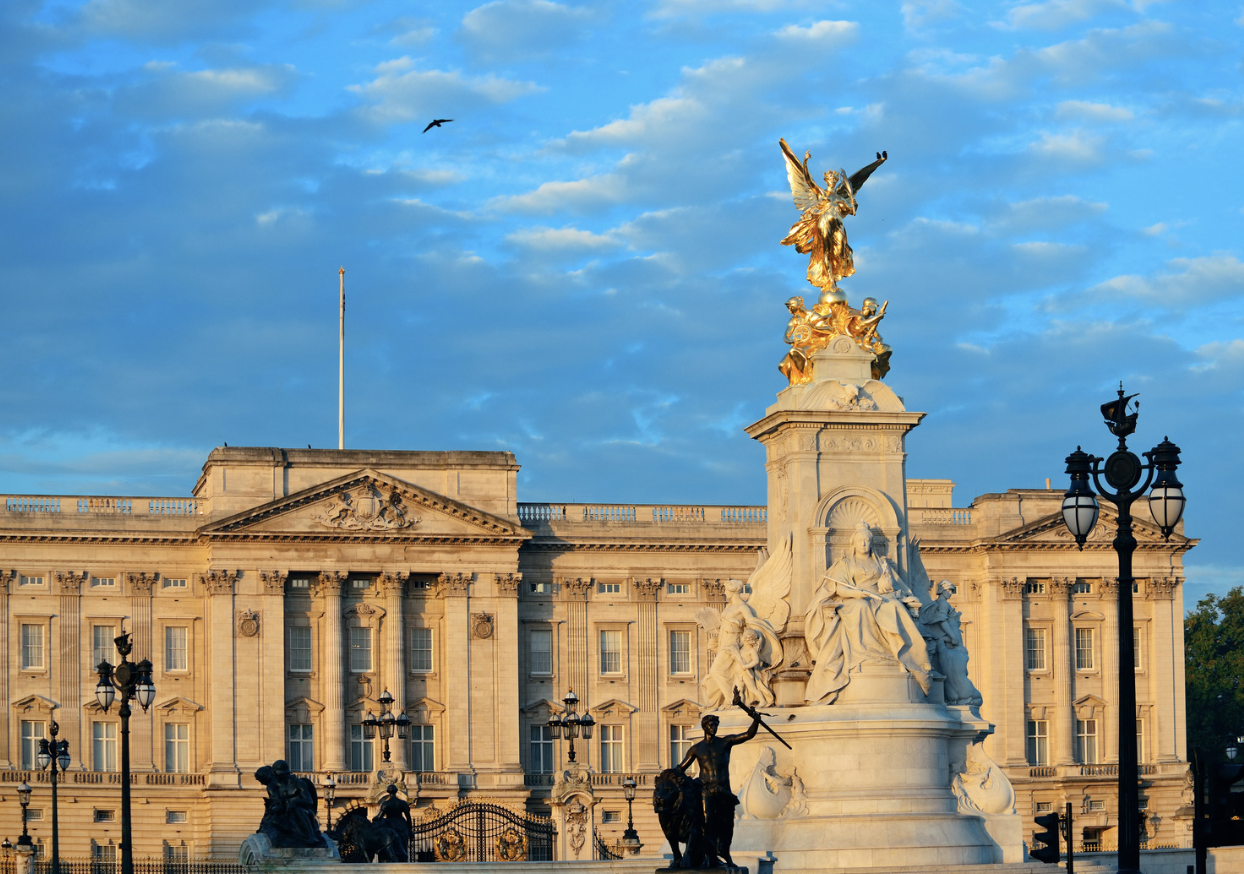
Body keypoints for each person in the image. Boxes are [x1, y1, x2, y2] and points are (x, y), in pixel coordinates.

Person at [804, 521, 933, 704]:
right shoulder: (845, 563)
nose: (864, 544)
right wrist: (856, 593)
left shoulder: (880, 564)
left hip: (879, 598)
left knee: (896, 606)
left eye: (866, 540)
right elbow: (839, 589)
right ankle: (864, 655)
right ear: (854, 543)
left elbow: (891, 585)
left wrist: (887, 585)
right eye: (860, 541)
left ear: (871, 543)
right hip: (853, 599)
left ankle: (909, 655)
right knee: (861, 607)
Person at [676, 712, 761, 867]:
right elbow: (681, 768)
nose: (713, 727)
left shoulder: (725, 742)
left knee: (727, 824)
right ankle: (710, 857)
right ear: (704, 727)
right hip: (706, 790)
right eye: (710, 724)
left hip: (724, 790)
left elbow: (748, 734)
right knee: (708, 823)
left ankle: (725, 853)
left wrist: (756, 720)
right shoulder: (696, 749)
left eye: (715, 724)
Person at [919, 581, 983, 708]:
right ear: (942, 591)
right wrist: (953, 637)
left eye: (952, 591)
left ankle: (955, 696)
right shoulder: (943, 603)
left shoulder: (939, 603)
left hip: (947, 642)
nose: (950, 593)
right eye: (949, 590)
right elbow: (942, 621)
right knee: (956, 667)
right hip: (951, 641)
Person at [375, 783, 412, 862]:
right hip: (402, 825)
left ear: (388, 792)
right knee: (403, 846)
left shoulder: (386, 804)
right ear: (396, 792)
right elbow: (408, 818)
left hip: (390, 825)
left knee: (390, 847)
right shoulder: (403, 803)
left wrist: (374, 819)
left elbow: (379, 817)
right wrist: (410, 830)